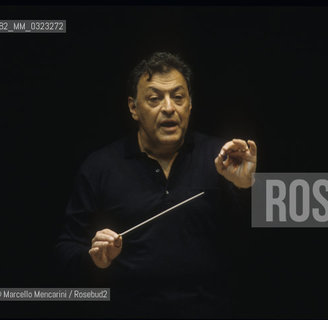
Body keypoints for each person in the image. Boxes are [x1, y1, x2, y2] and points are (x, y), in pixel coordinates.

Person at [55, 52, 257, 318]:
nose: (169, 107)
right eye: (154, 98)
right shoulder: (100, 166)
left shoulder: (224, 157)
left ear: (190, 104)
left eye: (178, 97)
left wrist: (246, 186)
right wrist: (93, 258)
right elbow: (65, 249)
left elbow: (261, 245)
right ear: (133, 108)